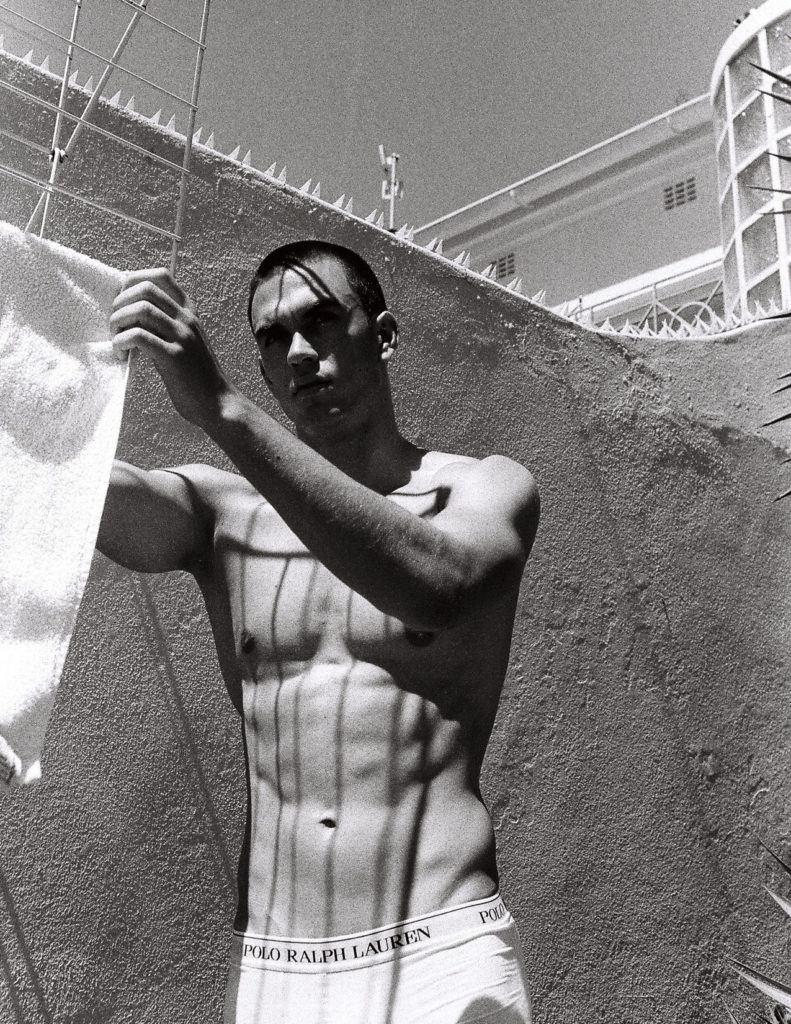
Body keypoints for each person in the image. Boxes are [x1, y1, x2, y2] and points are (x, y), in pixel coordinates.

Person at [99, 240, 540, 1024]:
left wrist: (223, 408)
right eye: (272, 338)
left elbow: (441, 585)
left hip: (441, 950)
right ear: (264, 367)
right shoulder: (222, 514)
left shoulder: (480, 487)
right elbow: (65, 492)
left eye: (322, 321)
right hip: (279, 967)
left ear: (384, 333)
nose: (298, 351)